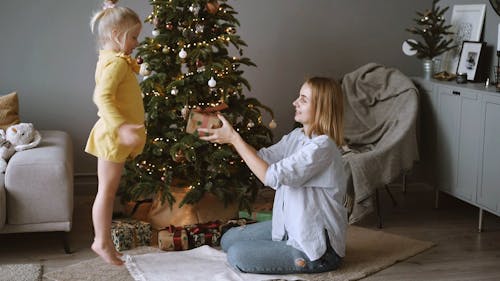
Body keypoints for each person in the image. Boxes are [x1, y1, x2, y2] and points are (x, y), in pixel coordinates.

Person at [198, 77, 348, 274]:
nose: (295, 102)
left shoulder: (322, 148)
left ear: (322, 107)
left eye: (303, 99)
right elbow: (262, 158)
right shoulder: (297, 137)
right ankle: (279, 242)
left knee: (237, 254)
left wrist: (234, 139)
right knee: (228, 239)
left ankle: (308, 259)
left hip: (315, 249)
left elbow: (270, 176)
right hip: (287, 227)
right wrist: (229, 138)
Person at [85, 0, 145, 266]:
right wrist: (121, 126)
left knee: (107, 190)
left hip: (113, 135)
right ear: (115, 36)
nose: (135, 42)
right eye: (133, 37)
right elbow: (102, 96)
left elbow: (123, 81)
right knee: (106, 192)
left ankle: (104, 241)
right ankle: (101, 241)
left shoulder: (113, 59)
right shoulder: (117, 64)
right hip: (112, 136)